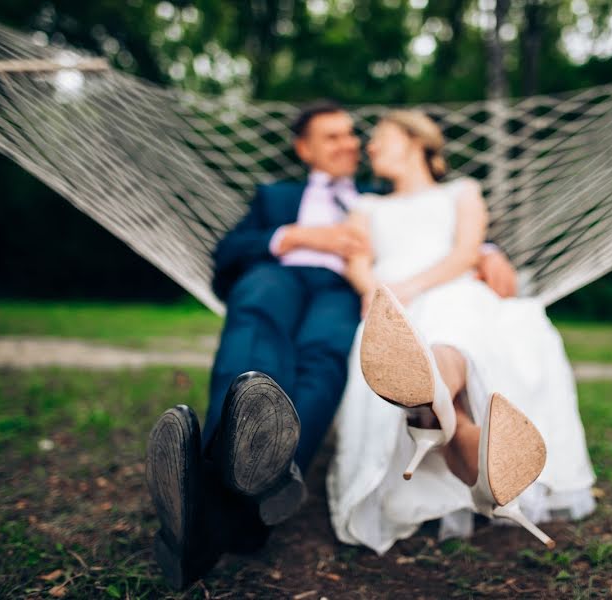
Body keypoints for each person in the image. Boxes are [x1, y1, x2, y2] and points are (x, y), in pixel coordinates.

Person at [144, 101, 521, 589]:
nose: (349, 144)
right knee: (257, 330)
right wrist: (297, 236)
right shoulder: (275, 196)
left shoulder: (373, 195)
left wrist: (487, 251)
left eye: (351, 135)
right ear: (304, 149)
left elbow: (425, 224)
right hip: (278, 274)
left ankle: (219, 501)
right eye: (332, 137)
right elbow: (228, 252)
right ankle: (230, 473)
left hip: (344, 293)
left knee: (324, 361)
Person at [327, 110, 596, 555]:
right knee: (437, 384)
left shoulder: (462, 192)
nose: (369, 148)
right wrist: (385, 300)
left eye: (380, 138)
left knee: (450, 323)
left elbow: (464, 253)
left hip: (450, 287)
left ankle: (423, 397)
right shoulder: (365, 207)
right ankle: (455, 432)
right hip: (390, 302)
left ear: (415, 141)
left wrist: (409, 290)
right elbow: (357, 265)